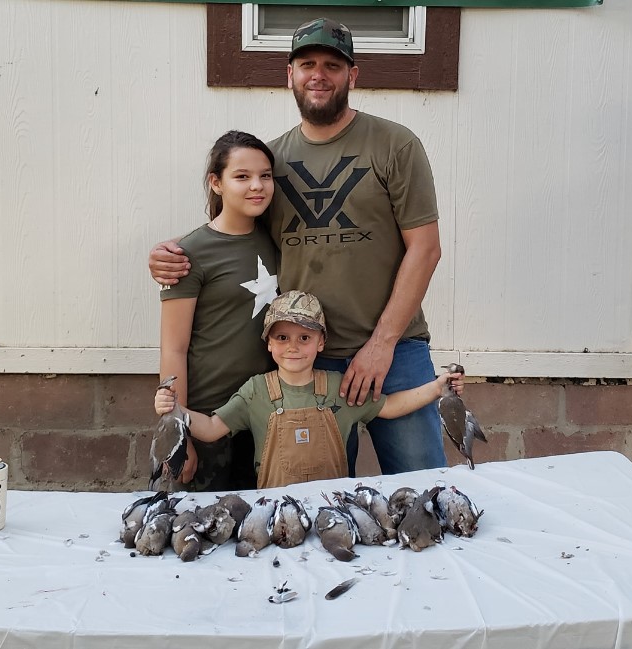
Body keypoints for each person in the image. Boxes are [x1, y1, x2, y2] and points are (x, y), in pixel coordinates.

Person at [150, 17, 446, 477]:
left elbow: (425, 249)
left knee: (423, 486)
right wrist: (173, 255)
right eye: (307, 63)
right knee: (314, 496)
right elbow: (231, 226)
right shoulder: (272, 162)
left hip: (395, 351)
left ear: (353, 75)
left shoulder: (395, 145)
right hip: (306, 356)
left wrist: (381, 345)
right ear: (289, 75)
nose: (319, 74)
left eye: (333, 64)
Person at [155, 291, 463, 489]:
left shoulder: (336, 387)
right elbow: (209, 429)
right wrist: (175, 411)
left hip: (334, 511)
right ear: (269, 343)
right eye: (283, 338)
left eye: (305, 338)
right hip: (275, 514)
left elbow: (391, 406)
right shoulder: (256, 392)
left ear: (321, 343)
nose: (293, 347)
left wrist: (437, 388)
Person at [155, 130, 279, 491]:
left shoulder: (279, 239)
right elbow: (173, 348)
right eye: (242, 176)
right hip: (206, 418)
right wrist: (180, 432)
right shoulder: (187, 254)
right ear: (217, 182)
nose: (257, 186)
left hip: (264, 417)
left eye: (265, 176)